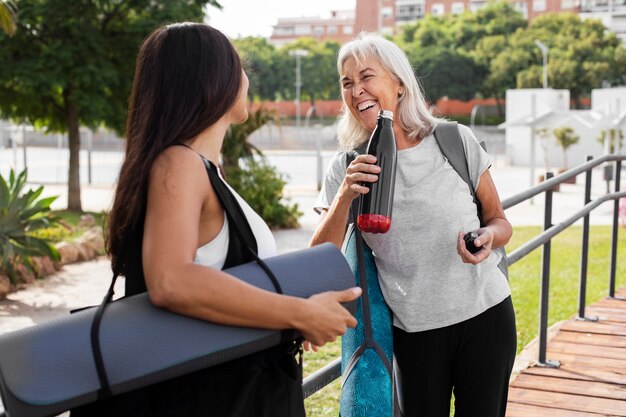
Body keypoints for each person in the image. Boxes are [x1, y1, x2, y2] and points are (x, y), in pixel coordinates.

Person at [71, 22, 360, 417]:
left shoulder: (200, 168)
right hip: (213, 397)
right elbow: (172, 280)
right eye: (237, 65)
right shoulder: (180, 163)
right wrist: (299, 312)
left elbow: (222, 278)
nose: (246, 78)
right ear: (211, 79)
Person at [310, 33, 516, 417]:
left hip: (486, 317)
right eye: (347, 83)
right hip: (415, 332)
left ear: (399, 83)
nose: (357, 91)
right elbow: (319, 260)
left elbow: (500, 221)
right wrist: (343, 197)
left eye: (366, 77)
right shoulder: (346, 165)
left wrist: (488, 237)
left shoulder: (454, 140)